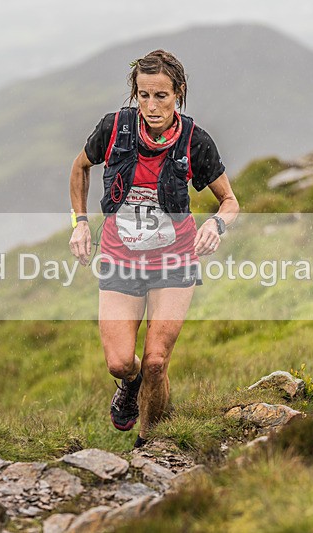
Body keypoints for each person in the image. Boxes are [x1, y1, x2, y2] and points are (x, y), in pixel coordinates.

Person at [68, 49, 239, 448]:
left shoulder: (196, 141)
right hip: (119, 259)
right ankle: (130, 384)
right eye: (143, 95)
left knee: (157, 362)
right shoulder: (114, 129)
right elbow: (80, 167)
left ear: (178, 93)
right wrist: (79, 223)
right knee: (120, 362)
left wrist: (216, 224)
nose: (151, 106)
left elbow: (230, 202)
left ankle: (151, 445)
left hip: (174, 261)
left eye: (161, 96)